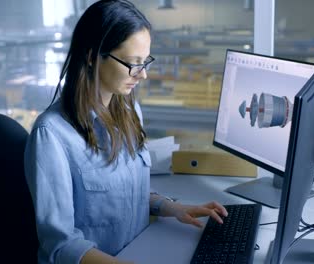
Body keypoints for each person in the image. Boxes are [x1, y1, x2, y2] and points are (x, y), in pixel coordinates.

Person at [23, 1, 228, 263]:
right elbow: (62, 246)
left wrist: (173, 208)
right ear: (91, 56)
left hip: (140, 249)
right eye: (133, 63)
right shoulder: (51, 136)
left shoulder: (128, 111)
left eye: (146, 62)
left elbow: (124, 195)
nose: (142, 75)